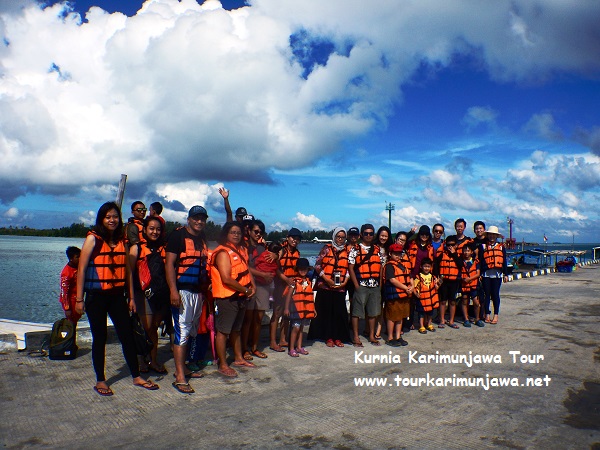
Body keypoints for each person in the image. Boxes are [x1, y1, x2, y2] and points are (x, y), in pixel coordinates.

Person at [75, 202, 159, 396]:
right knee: (100, 337)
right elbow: (81, 269)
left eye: (115, 217)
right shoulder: (92, 239)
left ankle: (136, 376)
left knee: (127, 336)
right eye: (108, 217)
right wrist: (79, 300)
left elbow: (128, 271)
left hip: (116, 296)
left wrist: (130, 297)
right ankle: (101, 380)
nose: (112, 220)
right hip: (96, 297)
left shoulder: (122, 240)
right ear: (101, 219)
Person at [165, 205, 209, 394]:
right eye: (196, 218)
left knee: (191, 331)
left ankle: (184, 368)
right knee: (182, 331)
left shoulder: (201, 240)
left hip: (197, 292)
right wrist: (173, 291)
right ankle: (180, 376)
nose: (199, 221)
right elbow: (169, 265)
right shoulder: (177, 236)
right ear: (189, 219)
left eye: (202, 219)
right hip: (182, 291)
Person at [210, 222, 256, 377]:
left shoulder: (242, 249)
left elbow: (247, 270)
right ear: (226, 234)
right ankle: (223, 364)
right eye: (232, 232)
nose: (236, 235)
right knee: (223, 332)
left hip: (241, 296)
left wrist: (252, 287)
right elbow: (226, 278)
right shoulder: (223, 252)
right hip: (228, 298)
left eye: (238, 232)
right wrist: (246, 290)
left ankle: (238, 358)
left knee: (236, 329)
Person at [128, 216, 169, 374]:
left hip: (160, 294)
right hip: (143, 294)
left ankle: (153, 359)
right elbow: (130, 275)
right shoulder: (136, 248)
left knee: (154, 328)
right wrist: (131, 298)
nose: (155, 232)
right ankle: (141, 359)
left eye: (158, 229)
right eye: (151, 228)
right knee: (145, 328)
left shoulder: (163, 248)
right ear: (144, 230)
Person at [307, 227, 351, 347]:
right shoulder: (326, 249)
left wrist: (345, 281)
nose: (340, 239)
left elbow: (348, 269)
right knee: (326, 313)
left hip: (340, 286)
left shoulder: (348, 251)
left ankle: (338, 337)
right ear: (334, 237)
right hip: (325, 286)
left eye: (342, 237)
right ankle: (328, 337)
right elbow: (317, 265)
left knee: (339, 313)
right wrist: (326, 279)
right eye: (338, 236)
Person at [241, 222, 278, 361]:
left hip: (263, 287)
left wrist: (277, 256)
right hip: (249, 285)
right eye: (256, 231)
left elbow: (277, 255)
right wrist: (262, 275)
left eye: (260, 232)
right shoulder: (242, 247)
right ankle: (244, 349)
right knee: (247, 320)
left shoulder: (263, 248)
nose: (258, 234)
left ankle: (254, 347)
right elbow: (244, 266)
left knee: (258, 319)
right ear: (249, 231)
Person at [348, 224, 385, 347]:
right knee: (357, 312)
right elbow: (351, 268)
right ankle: (356, 337)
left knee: (373, 312)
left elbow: (380, 268)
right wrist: (356, 286)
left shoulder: (378, 250)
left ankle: (371, 335)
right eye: (366, 233)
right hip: (361, 284)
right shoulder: (355, 249)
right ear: (361, 235)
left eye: (371, 233)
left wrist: (379, 284)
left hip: (375, 285)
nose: (368, 236)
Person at [270, 227, 302, 352]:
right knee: (277, 313)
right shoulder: (280, 250)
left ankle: (283, 339)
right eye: (293, 237)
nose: (295, 240)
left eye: (297, 239)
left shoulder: (297, 253)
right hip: (280, 285)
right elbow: (275, 267)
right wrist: (285, 279)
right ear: (287, 237)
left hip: (291, 286)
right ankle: (273, 342)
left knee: (286, 314)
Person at [382, 243, 413, 347]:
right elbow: (392, 280)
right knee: (392, 317)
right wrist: (406, 288)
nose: (398, 256)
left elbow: (410, 276)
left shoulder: (403, 265)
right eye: (395, 253)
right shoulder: (389, 266)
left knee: (400, 317)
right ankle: (390, 337)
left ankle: (398, 336)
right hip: (394, 296)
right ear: (390, 254)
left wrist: (411, 287)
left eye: (399, 253)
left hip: (403, 296)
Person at [284, 258, 315, 357]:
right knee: (295, 328)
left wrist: (314, 309)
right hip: (296, 309)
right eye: (301, 269)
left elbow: (310, 296)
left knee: (301, 328)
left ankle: (299, 346)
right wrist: (286, 308)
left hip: (305, 310)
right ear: (297, 269)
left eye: (305, 269)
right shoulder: (294, 282)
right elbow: (289, 296)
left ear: (308, 270)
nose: (303, 271)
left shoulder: (309, 282)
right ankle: (291, 348)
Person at [480, 226, 509, 324]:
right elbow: (480, 261)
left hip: (497, 274)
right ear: (487, 235)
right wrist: (479, 273)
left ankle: (496, 315)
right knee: (486, 295)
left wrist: (506, 274)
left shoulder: (501, 247)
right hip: (486, 274)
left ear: (496, 236)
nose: (492, 236)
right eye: (490, 234)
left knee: (495, 294)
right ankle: (487, 313)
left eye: (494, 235)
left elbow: (504, 261)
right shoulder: (483, 246)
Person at [434, 234, 462, 329]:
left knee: (452, 301)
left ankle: (451, 321)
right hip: (444, 281)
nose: (450, 247)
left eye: (452, 245)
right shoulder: (442, 255)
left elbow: (461, 265)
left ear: (456, 245)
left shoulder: (458, 255)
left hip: (454, 281)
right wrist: (437, 277)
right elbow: (436, 266)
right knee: (442, 301)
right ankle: (442, 320)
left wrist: (454, 254)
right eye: (448, 245)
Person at [413, 257, 441, 334]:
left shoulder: (433, 277)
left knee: (430, 313)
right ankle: (421, 326)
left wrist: (438, 284)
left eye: (428, 266)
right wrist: (416, 294)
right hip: (421, 299)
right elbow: (414, 287)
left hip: (430, 299)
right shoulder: (418, 276)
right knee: (421, 313)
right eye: (425, 266)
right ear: (421, 267)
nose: (426, 268)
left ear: (431, 267)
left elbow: (436, 287)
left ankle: (429, 324)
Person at [460, 243, 484, 328]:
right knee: (464, 301)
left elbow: (478, 273)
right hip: (464, 285)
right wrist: (463, 279)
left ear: (471, 252)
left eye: (468, 251)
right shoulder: (460, 261)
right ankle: (466, 319)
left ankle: (477, 319)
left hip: (473, 286)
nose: (466, 252)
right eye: (465, 251)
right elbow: (459, 273)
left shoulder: (475, 262)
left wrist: (470, 279)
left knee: (476, 303)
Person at [59, 246, 82, 324]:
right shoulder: (67, 273)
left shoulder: (79, 268)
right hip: (70, 301)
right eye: (77, 257)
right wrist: (67, 308)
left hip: (77, 298)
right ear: (71, 259)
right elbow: (64, 293)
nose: (80, 259)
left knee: (75, 322)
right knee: (71, 323)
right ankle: (71, 335)